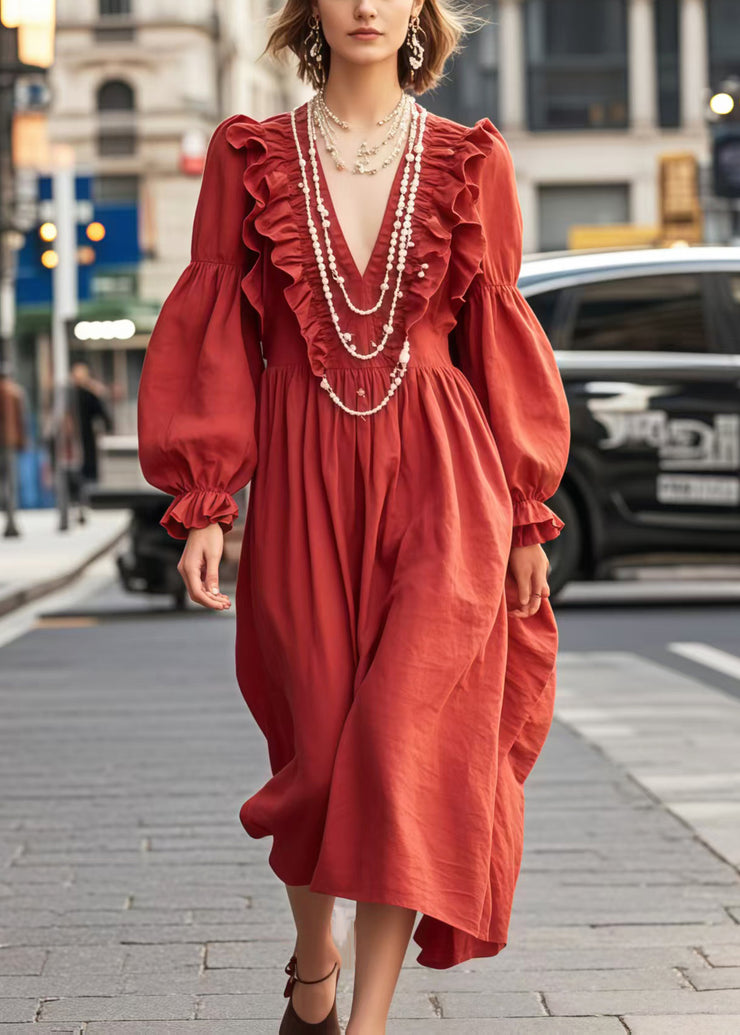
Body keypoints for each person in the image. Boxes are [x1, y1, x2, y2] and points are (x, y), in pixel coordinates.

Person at [137, 0, 571, 1031]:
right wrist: (206, 499)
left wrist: (522, 511)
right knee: (321, 756)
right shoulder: (248, 156)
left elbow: (495, 340)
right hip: (298, 474)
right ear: (309, 10)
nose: (367, 4)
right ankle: (311, 960)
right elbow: (214, 330)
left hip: (444, 473)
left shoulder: (471, 159)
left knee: (398, 749)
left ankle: (364, 1022)